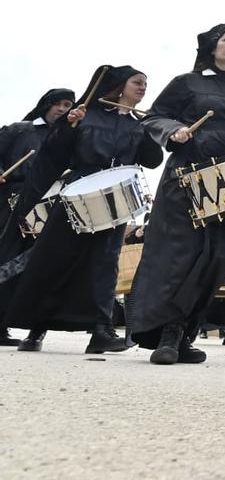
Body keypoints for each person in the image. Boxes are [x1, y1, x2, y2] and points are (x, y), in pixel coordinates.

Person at [126, 24, 225, 365]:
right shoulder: (187, 82)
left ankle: (187, 334)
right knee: (181, 255)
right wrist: (175, 131)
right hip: (187, 177)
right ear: (212, 47)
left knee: (217, 259)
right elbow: (155, 118)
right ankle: (167, 333)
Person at [5, 66, 162, 353]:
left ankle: (101, 331)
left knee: (105, 262)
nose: (143, 88)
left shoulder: (137, 124)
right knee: (56, 259)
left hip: (115, 199)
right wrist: (68, 125)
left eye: (145, 84)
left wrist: (147, 129)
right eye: (137, 82)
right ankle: (37, 329)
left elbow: (153, 160)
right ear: (119, 86)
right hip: (77, 191)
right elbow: (55, 151)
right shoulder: (86, 114)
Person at [0, 88, 74, 346]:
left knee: (30, 263)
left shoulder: (65, 137)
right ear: (47, 105)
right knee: (5, 257)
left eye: (69, 106)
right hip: (9, 199)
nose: (64, 110)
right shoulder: (20, 129)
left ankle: (14, 325)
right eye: (61, 104)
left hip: (46, 204)